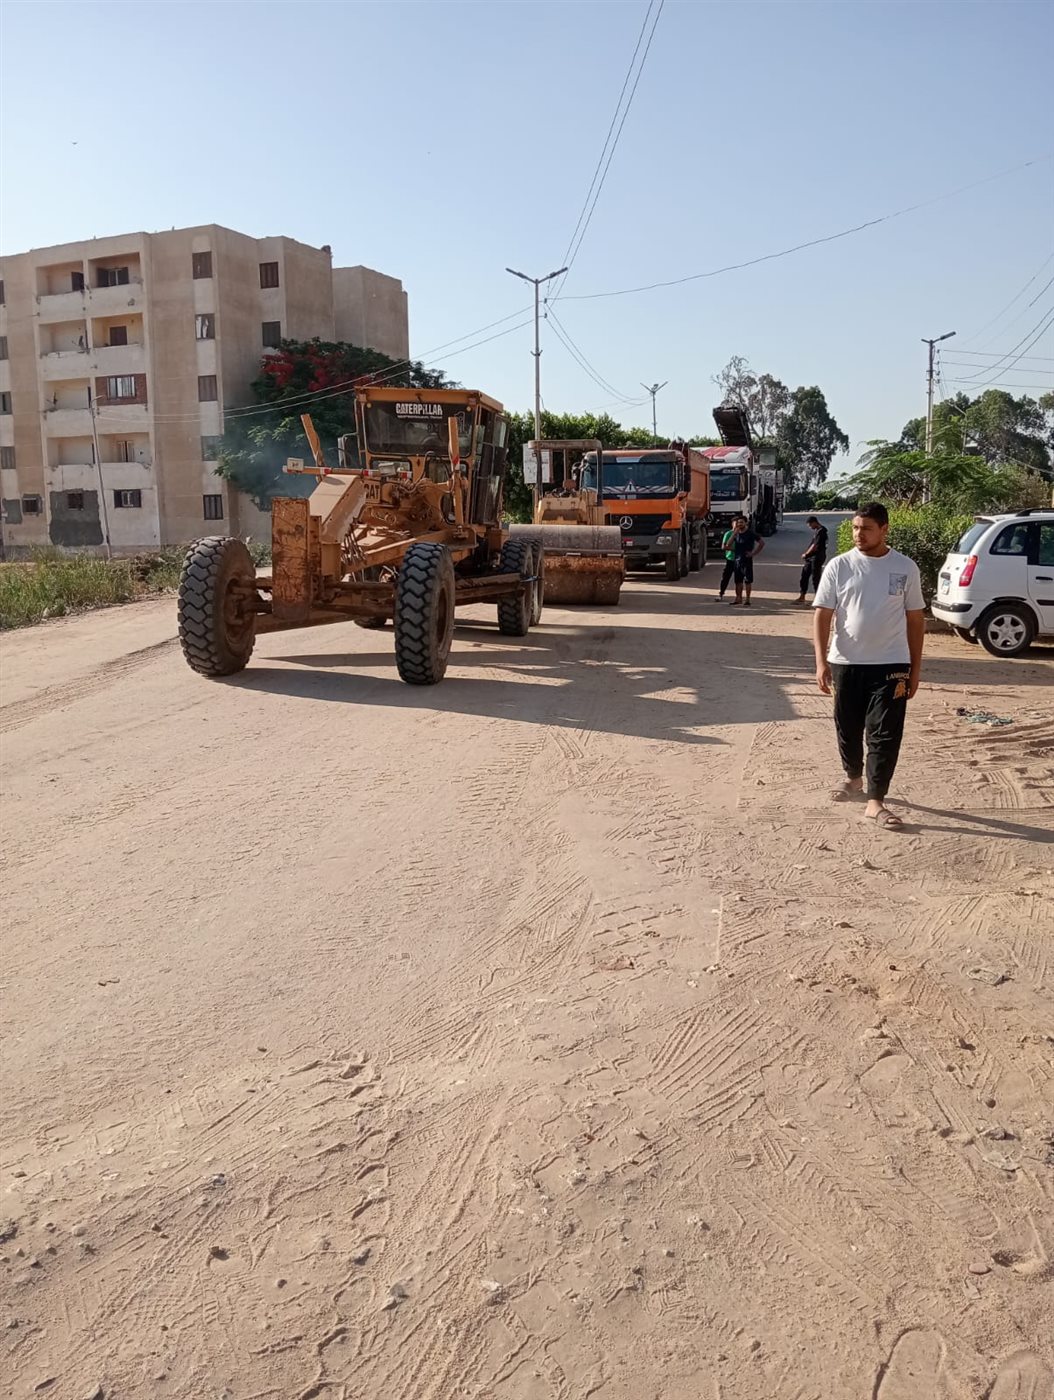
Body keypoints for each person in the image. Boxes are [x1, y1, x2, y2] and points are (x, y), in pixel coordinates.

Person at [812, 502, 925, 830]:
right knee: (847, 727)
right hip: (846, 662)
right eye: (856, 528)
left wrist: (915, 669)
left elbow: (915, 620)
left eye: (866, 529)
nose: (859, 535)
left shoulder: (905, 568)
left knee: (885, 733)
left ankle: (876, 801)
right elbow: (822, 614)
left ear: (885, 529)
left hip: (892, 664)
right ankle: (853, 778)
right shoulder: (839, 566)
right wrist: (821, 661)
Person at [729, 515, 764, 607]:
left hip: (747, 560)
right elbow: (728, 545)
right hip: (737, 560)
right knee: (737, 581)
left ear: (746, 523)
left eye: (741, 522)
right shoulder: (736, 533)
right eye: (738, 523)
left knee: (748, 580)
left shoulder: (750, 533)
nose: (740, 524)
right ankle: (738, 598)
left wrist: (753, 553)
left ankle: (747, 599)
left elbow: (761, 543)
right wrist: (734, 533)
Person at [795, 515, 828, 604]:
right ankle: (802, 596)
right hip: (811, 558)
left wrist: (806, 554)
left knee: (815, 578)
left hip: (817, 557)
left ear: (814, 522)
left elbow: (815, 546)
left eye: (810, 525)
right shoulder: (818, 531)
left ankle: (819, 599)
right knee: (804, 575)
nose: (810, 527)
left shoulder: (822, 531)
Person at [717, 525, 737, 600]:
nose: (737, 525)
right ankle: (721, 593)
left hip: (740, 560)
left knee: (739, 580)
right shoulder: (728, 534)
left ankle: (739, 597)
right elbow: (724, 546)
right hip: (730, 559)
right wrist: (736, 549)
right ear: (732, 524)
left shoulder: (744, 534)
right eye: (736, 523)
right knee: (725, 578)